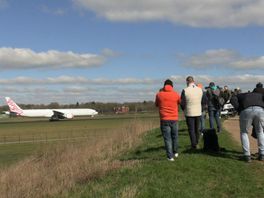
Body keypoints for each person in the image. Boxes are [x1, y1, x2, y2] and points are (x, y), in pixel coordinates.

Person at [231, 90, 264, 162]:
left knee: (244, 132)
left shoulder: (241, 95)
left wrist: (239, 109)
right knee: (260, 132)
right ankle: (262, 154)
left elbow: (233, 99)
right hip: (260, 110)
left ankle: (247, 156)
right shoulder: (259, 95)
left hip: (246, 110)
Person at [155, 79, 181, 161]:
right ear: (172, 86)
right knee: (175, 136)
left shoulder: (159, 94)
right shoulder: (176, 94)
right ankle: (175, 152)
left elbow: (156, 104)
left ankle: (170, 157)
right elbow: (180, 102)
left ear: (164, 86)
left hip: (164, 119)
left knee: (167, 138)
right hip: (174, 118)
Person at [181, 76, 203, 149]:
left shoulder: (185, 90)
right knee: (197, 129)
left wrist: (183, 109)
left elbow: (182, 103)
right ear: (193, 81)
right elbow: (204, 101)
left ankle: (194, 144)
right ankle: (197, 142)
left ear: (187, 81)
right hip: (198, 112)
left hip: (189, 112)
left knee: (191, 129)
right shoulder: (200, 90)